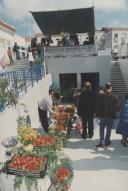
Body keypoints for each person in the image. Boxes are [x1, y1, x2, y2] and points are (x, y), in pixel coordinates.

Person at [96, 82, 120, 147]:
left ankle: (101, 142)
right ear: (111, 88)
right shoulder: (115, 96)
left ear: (105, 87)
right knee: (108, 129)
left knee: (101, 129)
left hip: (102, 116)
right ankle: (107, 142)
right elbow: (118, 107)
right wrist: (115, 114)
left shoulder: (101, 96)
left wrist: (97, 115)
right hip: (111, 116)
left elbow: (97, 106)